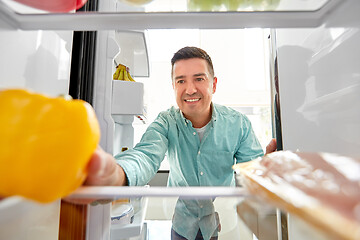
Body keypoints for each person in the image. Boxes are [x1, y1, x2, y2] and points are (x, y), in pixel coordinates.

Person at [84, 46, 277, 239]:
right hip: (182, 225)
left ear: (214, 84)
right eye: (181, 81)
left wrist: (265, 171)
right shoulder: (166, 122)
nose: (190, 89)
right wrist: (116, 174)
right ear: (174, 87)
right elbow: (146, 155)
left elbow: (251, 172)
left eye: (199, 79)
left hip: (223, 224)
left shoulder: (238, 124)